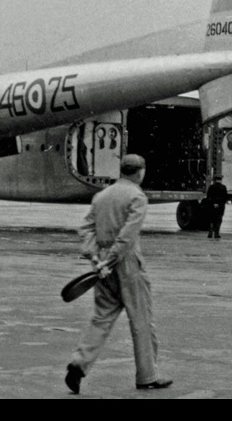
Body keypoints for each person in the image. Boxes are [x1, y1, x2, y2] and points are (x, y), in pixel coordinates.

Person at [65, 154, 172, 394]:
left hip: (102, 261)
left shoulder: (101, 196)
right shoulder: (137, 197)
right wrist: (114, 258)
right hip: (126, 262)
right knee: (141, 320)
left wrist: (96, 257)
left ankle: (78, 365)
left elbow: (86, 228)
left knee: (101, 317)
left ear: (122, 170)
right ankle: (147, 376)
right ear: (140, 172)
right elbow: (128, 234)